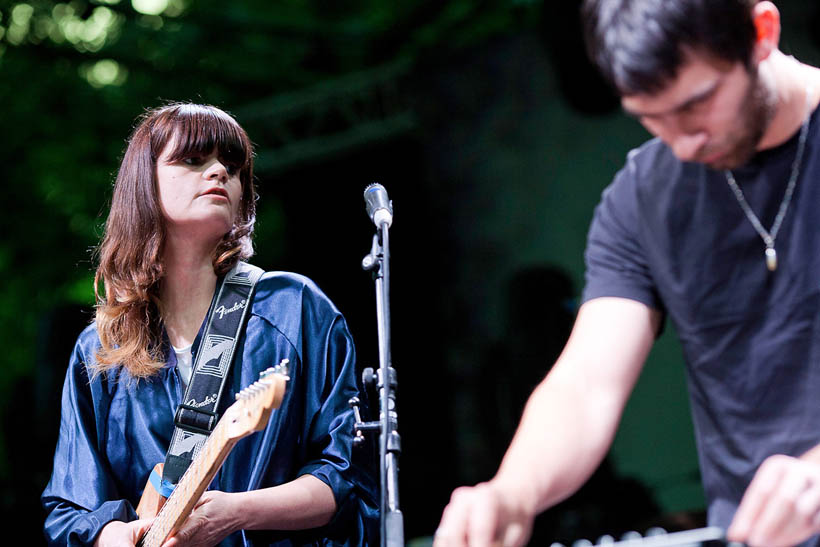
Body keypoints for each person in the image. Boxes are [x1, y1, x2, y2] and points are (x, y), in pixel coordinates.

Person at [435, 1, 820, 546]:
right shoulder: (641, 199)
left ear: (762, 31)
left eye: (697, 103)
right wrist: (513, 491)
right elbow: (587, 383)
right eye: (649, 117)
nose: (683, 143)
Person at [41, 103, 377, 546]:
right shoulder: (99, 350)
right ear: (145, 184)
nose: (219, 171)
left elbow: (348, 477)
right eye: (194, 160)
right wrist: (111, 536)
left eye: (233, 166)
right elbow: (68, 510)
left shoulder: (293, 309)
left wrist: (237, 512)